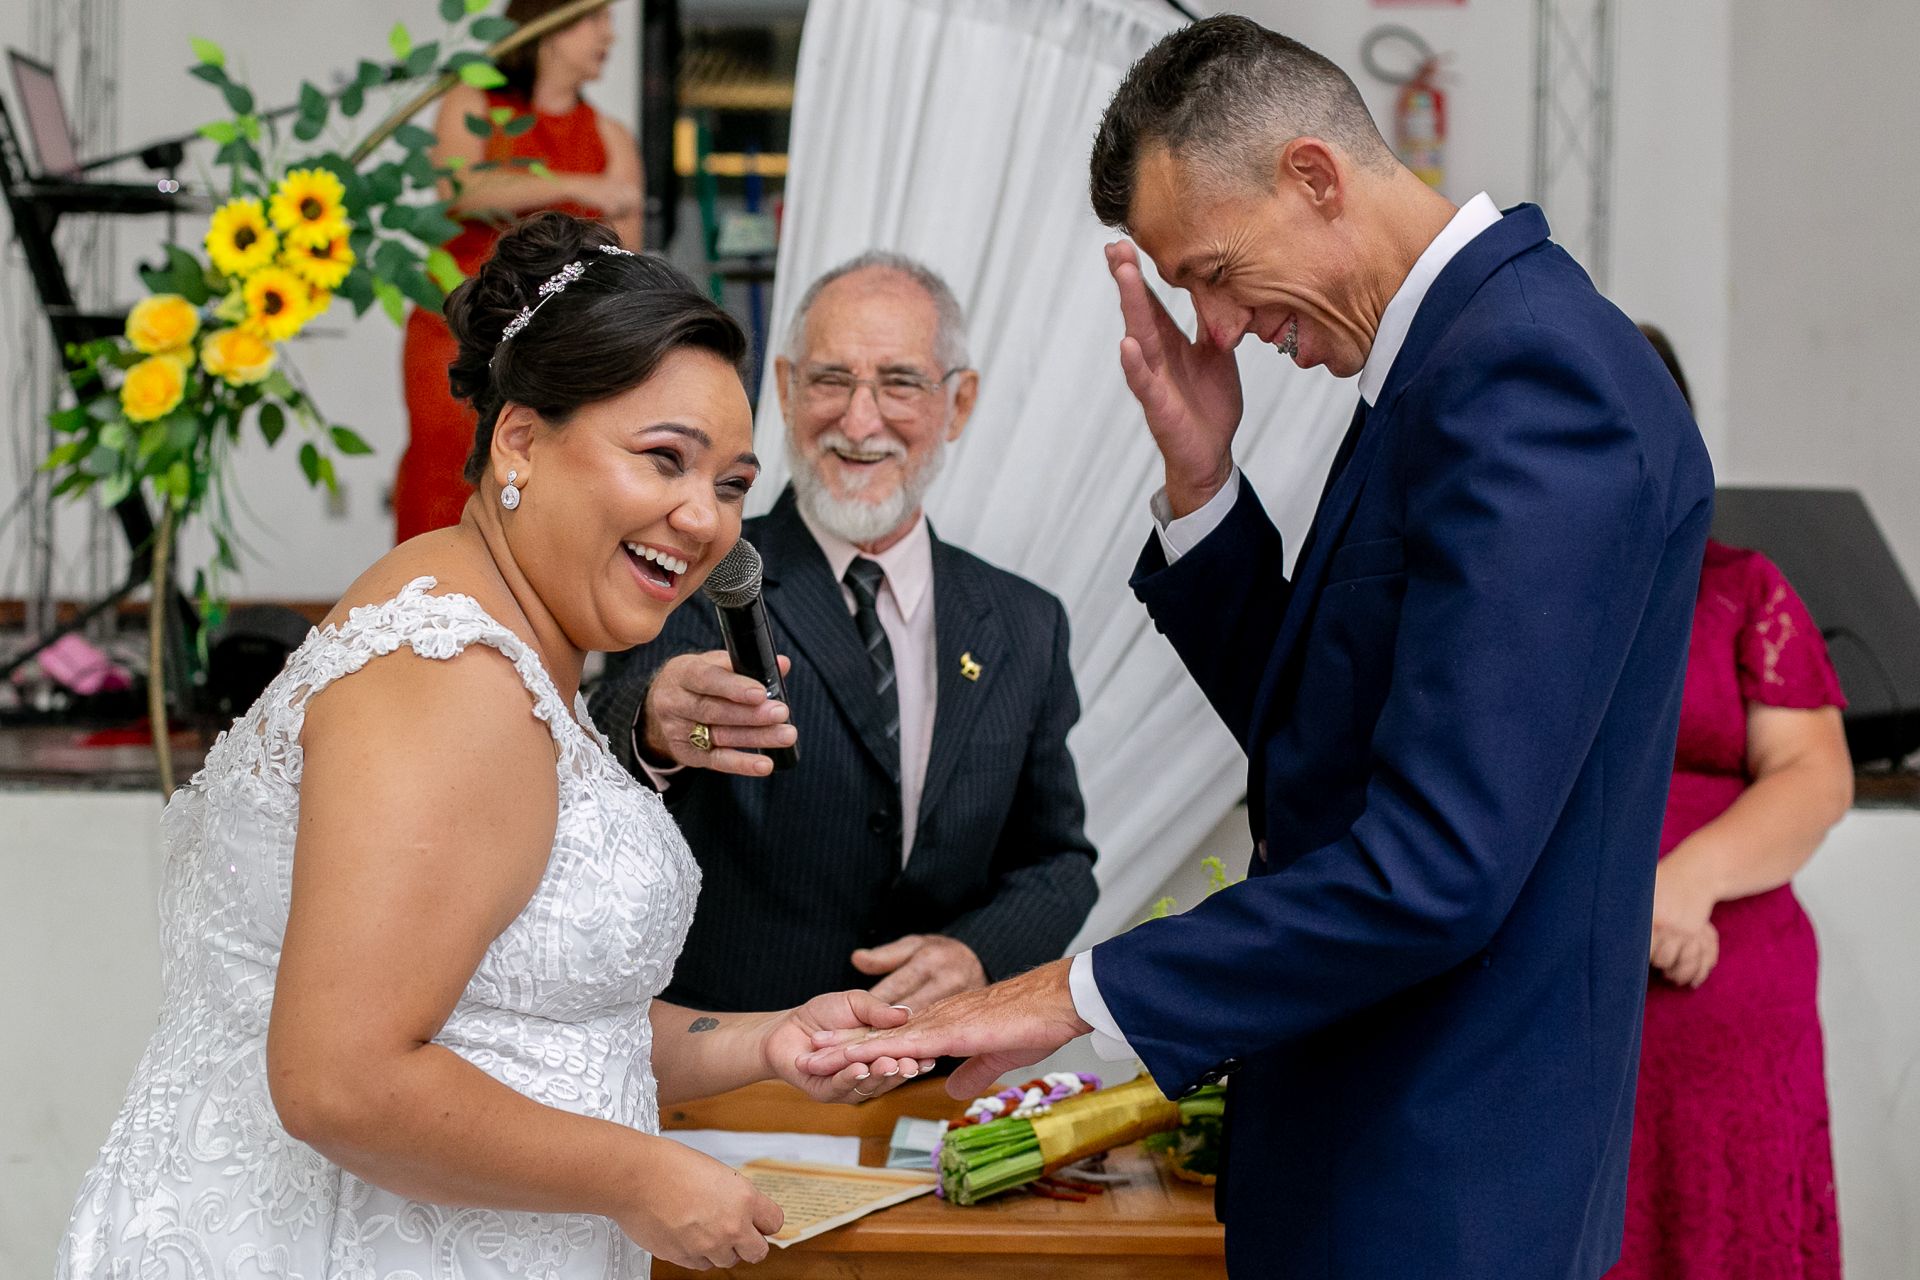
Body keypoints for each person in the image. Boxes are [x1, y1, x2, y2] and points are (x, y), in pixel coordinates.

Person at [803, 18, 1715, 1279]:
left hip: (1447, 1168)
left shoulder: (1531, 379)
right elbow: (1331, 746)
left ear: (1315, 175)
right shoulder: (1453, 363)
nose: (1218, 325)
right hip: (1355, 1133)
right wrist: (1203, 482)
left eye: (1217, 270)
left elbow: (1437, 864)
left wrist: (1070, 993)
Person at [58, 213, 928, 1280]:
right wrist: (643, 1177)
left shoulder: (508, 640)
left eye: (734, 484)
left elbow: (516, 1019)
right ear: (519, 440)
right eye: (665, 460)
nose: (703, 518)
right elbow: (342, 1079)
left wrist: (766, 1041)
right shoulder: (453, 674)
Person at [589, 253, 1100, 1015]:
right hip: (731, 1073)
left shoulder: (1025, 623)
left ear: (957, 404)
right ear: (788, 392)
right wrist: (656, 725)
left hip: (928, 1074)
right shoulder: (700, 565)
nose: (860, 422)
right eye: (831, 381)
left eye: (899, 383)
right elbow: (603, 738)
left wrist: (977, 954)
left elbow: (1059, 862)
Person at [1608, 327, 1853, 1280]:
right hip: (1575, 1001)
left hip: (1726, 1004)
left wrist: (1682, 886)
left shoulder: (1741, 587)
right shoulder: (1499, 596)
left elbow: (1814, 775)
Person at [395, 0, 645, 542]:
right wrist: (578, 186)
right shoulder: (473, 100)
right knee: (444, 471)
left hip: (559, 348)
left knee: (546, 487)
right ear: (545, 25)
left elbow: (628, 266)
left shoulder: (612, 137)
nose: (610, 36)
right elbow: (458, 190)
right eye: (593, 18)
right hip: (457, 330)